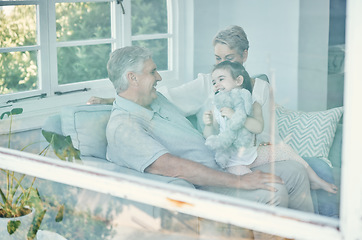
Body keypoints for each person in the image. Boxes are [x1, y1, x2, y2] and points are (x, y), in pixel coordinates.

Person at [89, 25, 339, 218]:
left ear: (245, 55)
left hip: (232, 159)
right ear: (132, 78)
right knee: (274, 190)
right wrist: (240, 181)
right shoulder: (124, 125)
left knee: (295, 172)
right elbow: (171, 166)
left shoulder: (156, 99)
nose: (160, 76)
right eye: (153, 71)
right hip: (208, 181)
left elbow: (266, 130)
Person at [203, 61, 337, 195]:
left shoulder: (253, 103)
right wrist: (208, 124)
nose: (217, 85)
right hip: (233, 162)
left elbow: (257, 127)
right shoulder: (218, 108)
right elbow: (210, 135)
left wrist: (235, 116)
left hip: (253, 154)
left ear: (238, 80)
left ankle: (315, 179)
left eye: (221, 79)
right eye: (214, 82)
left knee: (285, 150)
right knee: (255, 185)